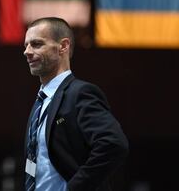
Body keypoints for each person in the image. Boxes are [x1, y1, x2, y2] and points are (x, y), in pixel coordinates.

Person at [23, 17, 129, 191]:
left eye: (36, 44)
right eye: (25, 45)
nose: (27, 51)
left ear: (63, 46)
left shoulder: (80, 93)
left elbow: (113, 144)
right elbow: (34, 161)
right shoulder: (40, 103)